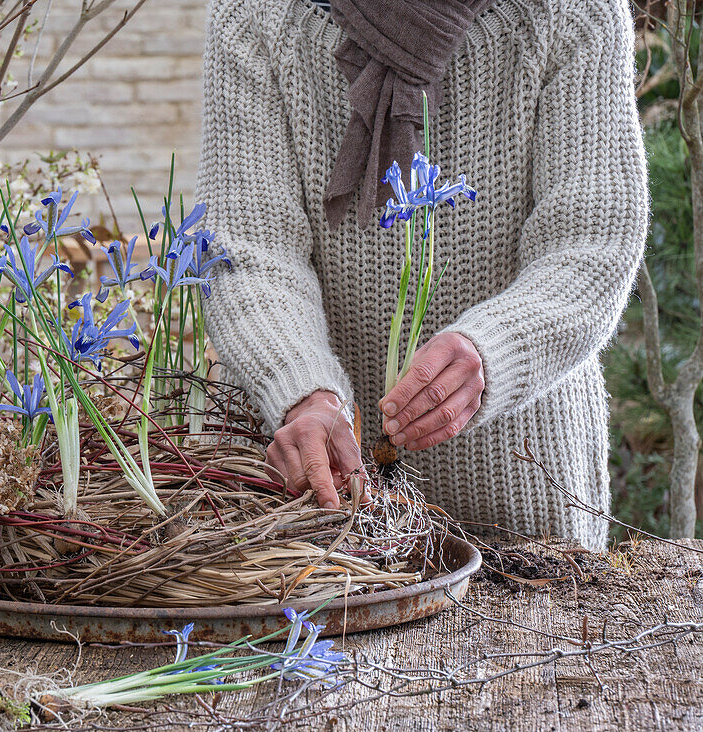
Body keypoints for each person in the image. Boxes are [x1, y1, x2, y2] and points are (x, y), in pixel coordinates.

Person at [197, 0, 649, 550]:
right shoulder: (254, 14)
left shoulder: (571, 12)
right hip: (312, 500)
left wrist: (495, 350)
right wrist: (301, 390)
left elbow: (592, 238)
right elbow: (248, 248)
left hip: (521, 495)